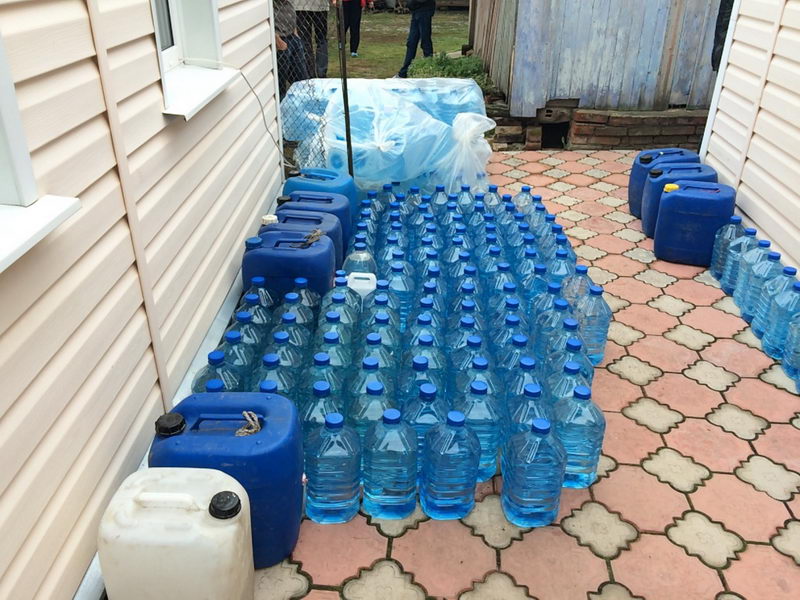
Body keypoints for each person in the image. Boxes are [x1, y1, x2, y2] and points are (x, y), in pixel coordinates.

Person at [274, 0, 310, 98]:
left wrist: (295, 34)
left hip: (293, 39)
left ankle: (304, 98)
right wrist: (278, 40)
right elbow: (268, 23)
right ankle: (281, 101)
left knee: (302, 77)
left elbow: (292, 17)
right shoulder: (272, 5)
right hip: (281, 41)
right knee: (281, 79)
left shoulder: (288, 3)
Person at [397, 0, 436, 78]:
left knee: (425, 41)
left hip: (424, 11)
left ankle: (430, 69)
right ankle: (404, 72)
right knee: (411, 42)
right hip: (416, 11)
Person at [295, 0, 330, 78]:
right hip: (319, 6)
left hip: (302, 6)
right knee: (321, 40)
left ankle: (310, 74)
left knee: (306, 41)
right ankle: (321, 73)